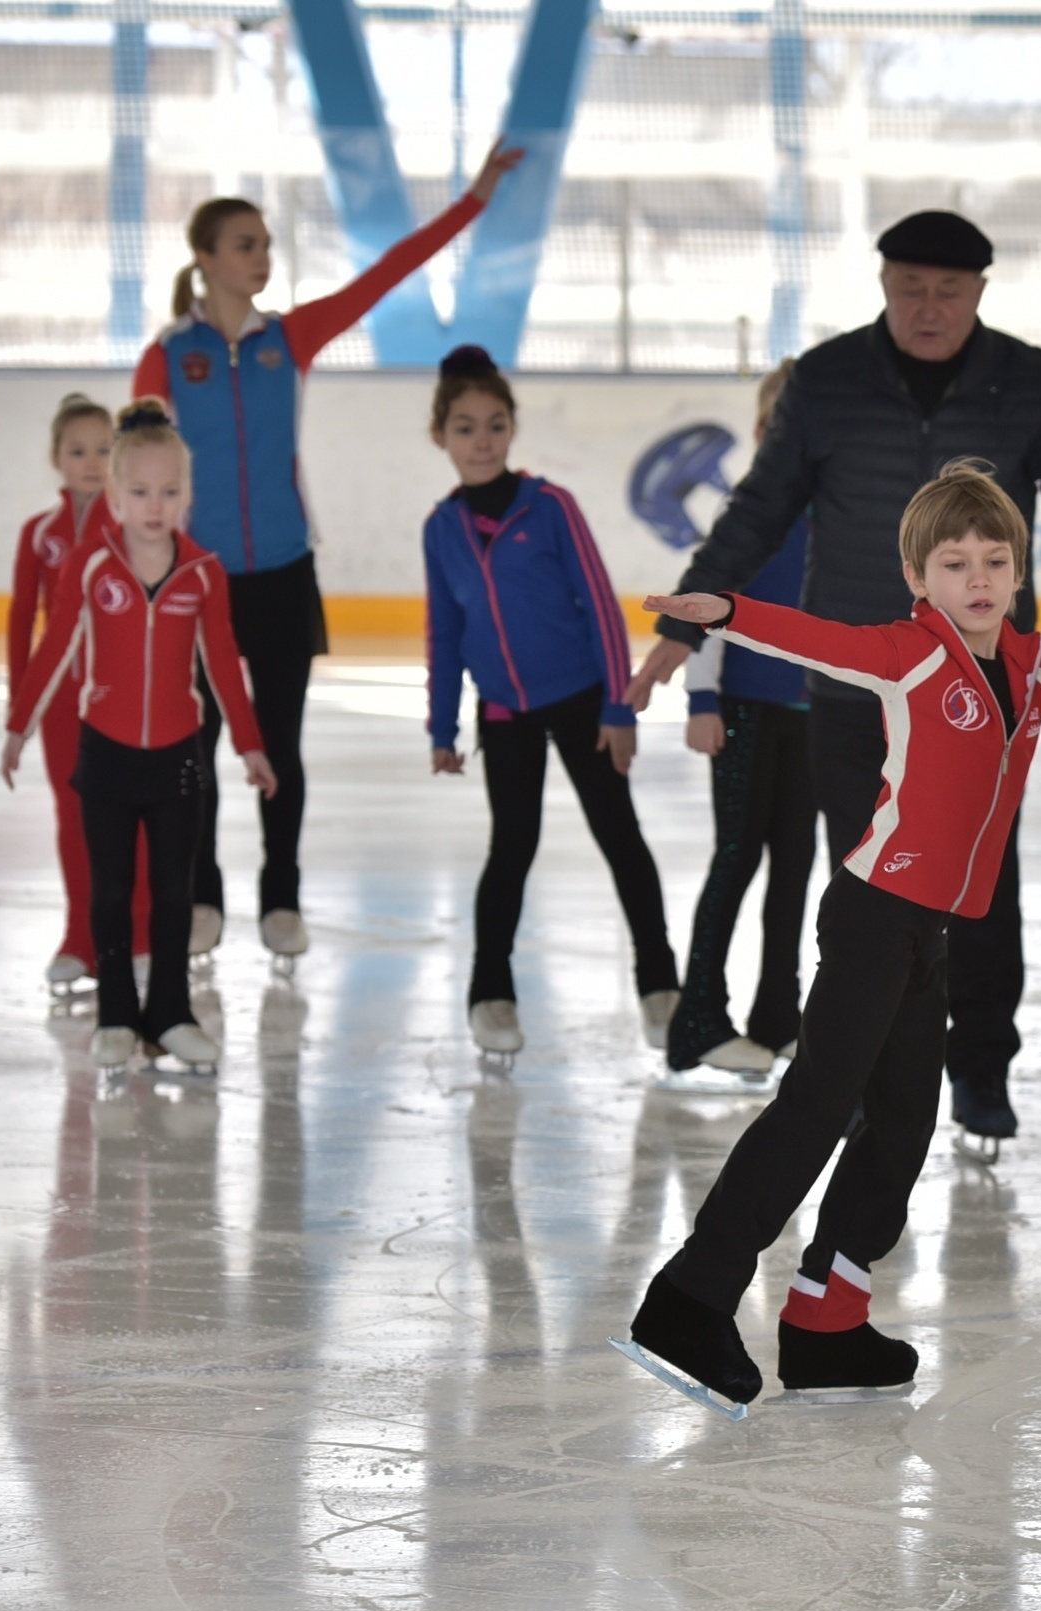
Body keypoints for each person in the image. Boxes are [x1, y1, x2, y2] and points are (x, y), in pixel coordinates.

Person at [617, 461, 1041, 1414]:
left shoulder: (1035, 665)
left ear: (1018, 568)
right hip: (875, 915)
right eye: (955, 563)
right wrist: (727, 613)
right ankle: (689, 1298)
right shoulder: (908, 652)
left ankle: (826, 1321)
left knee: (905, 1122)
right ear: (919, 579)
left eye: (996, 559)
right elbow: (818, 638)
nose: (979, 578)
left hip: (931, 932)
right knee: (815, 1107)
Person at [629, 210, 1041, 1146]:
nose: (928, 307)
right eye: (910, 288)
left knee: (978, 884)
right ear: (884, 285)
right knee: (864, 891)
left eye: (948, 291)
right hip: (857, 688)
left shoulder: (1028, 383)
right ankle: (861, 1074)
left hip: (981, 694)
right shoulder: (826, 383)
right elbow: (758, 511)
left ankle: (981, 1068)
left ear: (980, 292)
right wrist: (679, 622)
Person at [133, 139, 524, 969]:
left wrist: (477, 199)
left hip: (281, 572)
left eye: (268, 244)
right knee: (192, 745)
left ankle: (282, 896)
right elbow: (135, 470)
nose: (263, 257)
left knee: (280, 742)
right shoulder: (168, 357)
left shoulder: (293, 338)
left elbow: (389, 272)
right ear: (205, 259)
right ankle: (202, 895)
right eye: (246, 245)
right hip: (193, 581)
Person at [2, 400, 279, 1071]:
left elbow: (222, 664)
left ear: (187, 496)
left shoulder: (203, 573)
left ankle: (172, 1014)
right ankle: (118, 1016)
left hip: (178, 758)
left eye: (170, 492)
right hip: (107, 753)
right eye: (139, 492)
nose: (155, 506)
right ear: (115, 500)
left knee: (174, 893)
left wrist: (250, 745)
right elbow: (54, 647)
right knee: (110, 889)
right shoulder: (91, 569)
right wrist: (19, 726)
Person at [420, 347, 679, 1058]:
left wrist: (618, 707)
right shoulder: (441, 529)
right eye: (465, 427)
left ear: (511, 431)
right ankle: (490, 993)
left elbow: (599, 605)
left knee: (619, 836)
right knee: (512, 847)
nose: (481, 441)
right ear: (439, 434)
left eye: (494, 425)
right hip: (503, 711)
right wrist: (441, 723)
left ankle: (661, 986)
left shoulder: (551, 506)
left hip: (582, 701)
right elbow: (444, 631)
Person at [666, 360, 816, 1077]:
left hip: (813, 716)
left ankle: (778, 1014)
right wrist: (702, 697)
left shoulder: (834, 517)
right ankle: (697, 1017)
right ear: (762, 434)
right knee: (736, 859)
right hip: (745, 714)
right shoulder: (748, 519)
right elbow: (704, 603)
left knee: (796, 869)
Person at [7, 392, 149, 993]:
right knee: (74, 819)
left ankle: (140, 937)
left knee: (134, 821)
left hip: (123, 701)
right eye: (78, 450)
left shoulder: (138, 529)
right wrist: (22, 706)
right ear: (55, 458)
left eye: (104, 449)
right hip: (64, 703)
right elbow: (21, 620)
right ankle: (79, 938)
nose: (92, 461)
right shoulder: (39, 535)